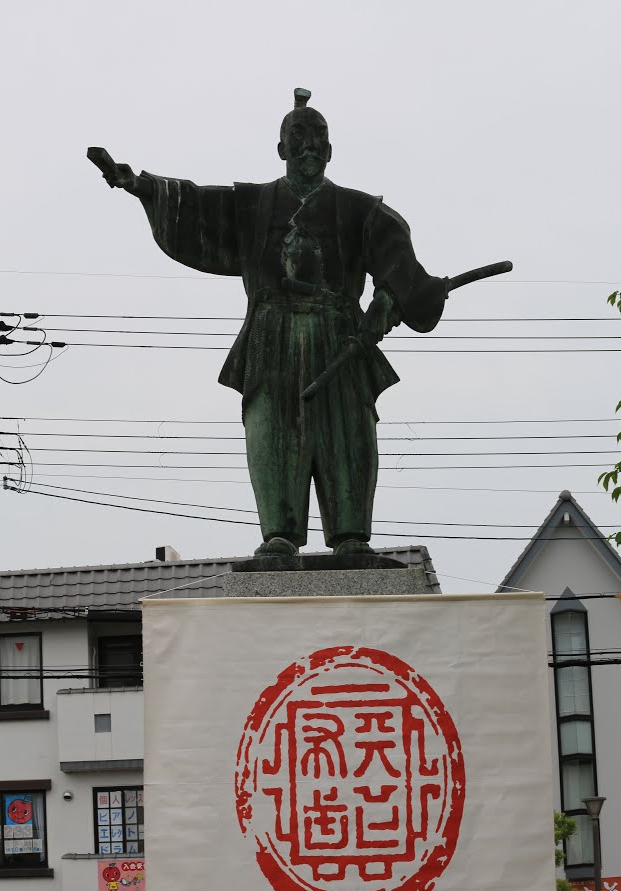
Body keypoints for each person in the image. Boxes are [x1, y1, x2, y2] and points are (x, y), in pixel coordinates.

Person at [89, 88, 447, 557]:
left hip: (340, 334)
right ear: (280, 149)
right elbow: (195, 206)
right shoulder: (252, 206)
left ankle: (351, 535)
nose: (309, 146)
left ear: (331, 150)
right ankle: (279, 531)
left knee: (349, 436)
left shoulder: (361, 211)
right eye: (298, 136)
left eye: (319, 137)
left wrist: (387, 299)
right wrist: (141, 184)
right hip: (271, 338)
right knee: (273, 435)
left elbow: (401, 267)